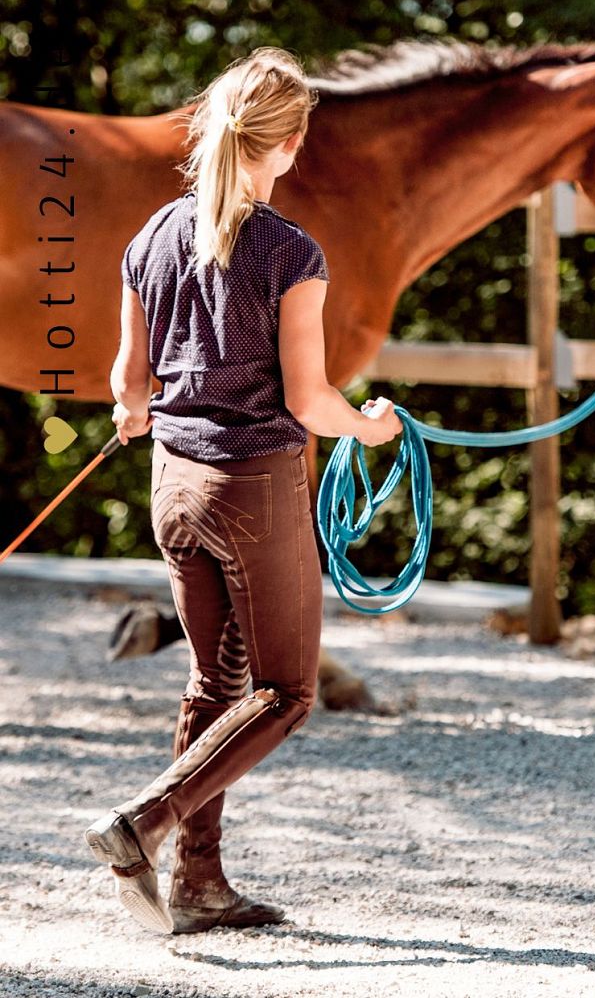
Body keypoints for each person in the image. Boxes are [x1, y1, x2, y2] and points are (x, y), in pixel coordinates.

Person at [84, 47, 401, 935]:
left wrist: (136, 410)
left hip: (172, 490)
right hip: (252, 488)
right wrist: (371, 427)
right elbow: (308, 401)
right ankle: (143, 823)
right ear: (290, 144)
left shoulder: (151, 235)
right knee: (287, 692)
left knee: (214, 682)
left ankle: (200, 885)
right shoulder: (290, 253)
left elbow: (127, 383)